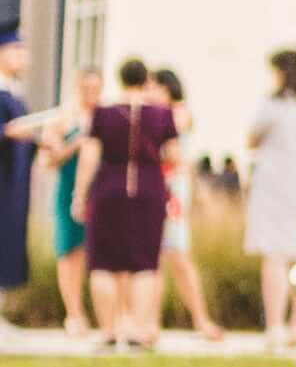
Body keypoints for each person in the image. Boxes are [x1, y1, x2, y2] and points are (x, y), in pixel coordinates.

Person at [76, 59, 176, 350]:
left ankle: (109, 329)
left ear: (119, 80)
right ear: (146, 80)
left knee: (103, 261)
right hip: (148, 188)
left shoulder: (103, 113)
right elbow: (175, 155)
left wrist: (80, 194)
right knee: (144, 262)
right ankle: (137, 329)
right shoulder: (161, 114)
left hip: (109, 187)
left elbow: (89, 157)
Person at [11, 68, 104, 333]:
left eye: (96, 89)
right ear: (77, 88)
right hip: (67, 188)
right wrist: (75, 144)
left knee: (93, 253)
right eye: (86, 89)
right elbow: (47, 161)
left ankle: (99, 313)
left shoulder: (104, 117)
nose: (91, 95)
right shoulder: (63, 119)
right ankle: (74, 313)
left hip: (99, 192)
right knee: (69, 250)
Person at [248, 50, 296, 350]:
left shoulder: (273, 105)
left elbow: (251, 139)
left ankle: (275, 325)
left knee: (275, 256)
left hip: (275, 187)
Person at [149, 69, 218, 339]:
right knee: (153, 259)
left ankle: (201, 319)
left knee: (178, 254)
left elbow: (170, 142)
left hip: (172, 190)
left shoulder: (178, 112)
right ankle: (150, 320)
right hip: (155, 186)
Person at [0, 29, 31, 296]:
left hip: (14, 181)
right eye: (16, 51)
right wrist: (7, 132)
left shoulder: (14, 94)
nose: (23, 57)